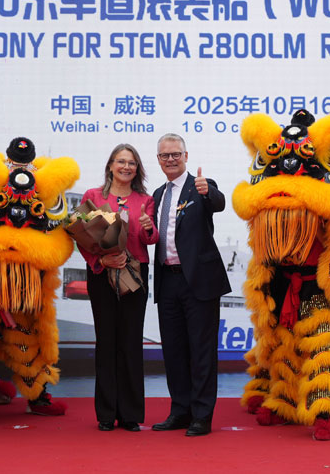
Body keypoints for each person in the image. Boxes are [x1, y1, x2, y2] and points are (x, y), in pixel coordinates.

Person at [151, 133, 231, 437]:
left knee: (201, 352)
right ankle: (180, 411)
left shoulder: (200, 185)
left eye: (176, 154)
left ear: (186, 155)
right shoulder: (158, 194)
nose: (170, 160)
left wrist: (207, 190)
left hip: (199, 281)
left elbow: (218, 202)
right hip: (167, 280)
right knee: (173, 351)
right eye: (164, 156)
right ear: (158, 160)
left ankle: (201, 416)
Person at [79, 144, 157, 432]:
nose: (126, 167)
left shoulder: (146, 200)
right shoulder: (92, 197)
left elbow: (150, 240)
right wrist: (101, 259)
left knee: (131, 343)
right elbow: (81, 237)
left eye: (132, 163)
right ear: (110, 165)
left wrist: (149, 227)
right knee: (107, 342)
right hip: (101, 274)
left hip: (134, 275)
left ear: (137, 169)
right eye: (121, 161)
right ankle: (105, 413)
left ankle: (130, 414)